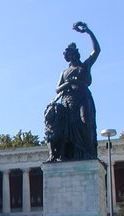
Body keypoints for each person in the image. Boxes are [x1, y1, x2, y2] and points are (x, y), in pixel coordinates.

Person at [44, 21, 100, 161]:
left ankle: (87, 152)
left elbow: (97, 51)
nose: (71, 56)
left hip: (83, 98)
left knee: (86, 122)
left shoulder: (84, 66)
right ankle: (72, 154)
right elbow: (57, 89)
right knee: (70, 130)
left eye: (73, 54)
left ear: (77, 54)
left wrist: (88, 32)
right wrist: (69, 83)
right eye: (69, 55)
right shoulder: (65, 72)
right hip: (68, 102)